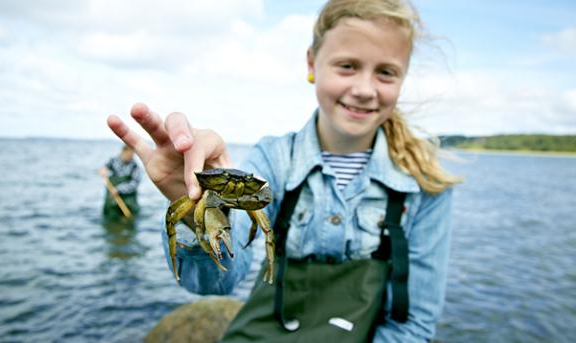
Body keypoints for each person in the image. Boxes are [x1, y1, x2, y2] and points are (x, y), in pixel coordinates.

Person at [106, 0, 461, 341]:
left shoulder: (425, 183)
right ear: (311, 63)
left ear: (403, 79)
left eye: (385, 72)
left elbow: (411, 325)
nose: (364, 89)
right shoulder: (274, 160)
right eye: (347, 66)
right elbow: (215, 283)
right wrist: (193, 206)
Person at [98, 145, 142, 220]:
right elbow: (104, 167)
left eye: (132, 155)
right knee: (110, 216)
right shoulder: (113, 160)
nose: (130, 157)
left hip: (128, 199)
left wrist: (118, 189)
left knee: (129, 219)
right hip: (112, 198)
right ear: (123, 152)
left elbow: (134, 184)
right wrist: (103, 170)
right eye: (128, 155)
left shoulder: (135, 166)